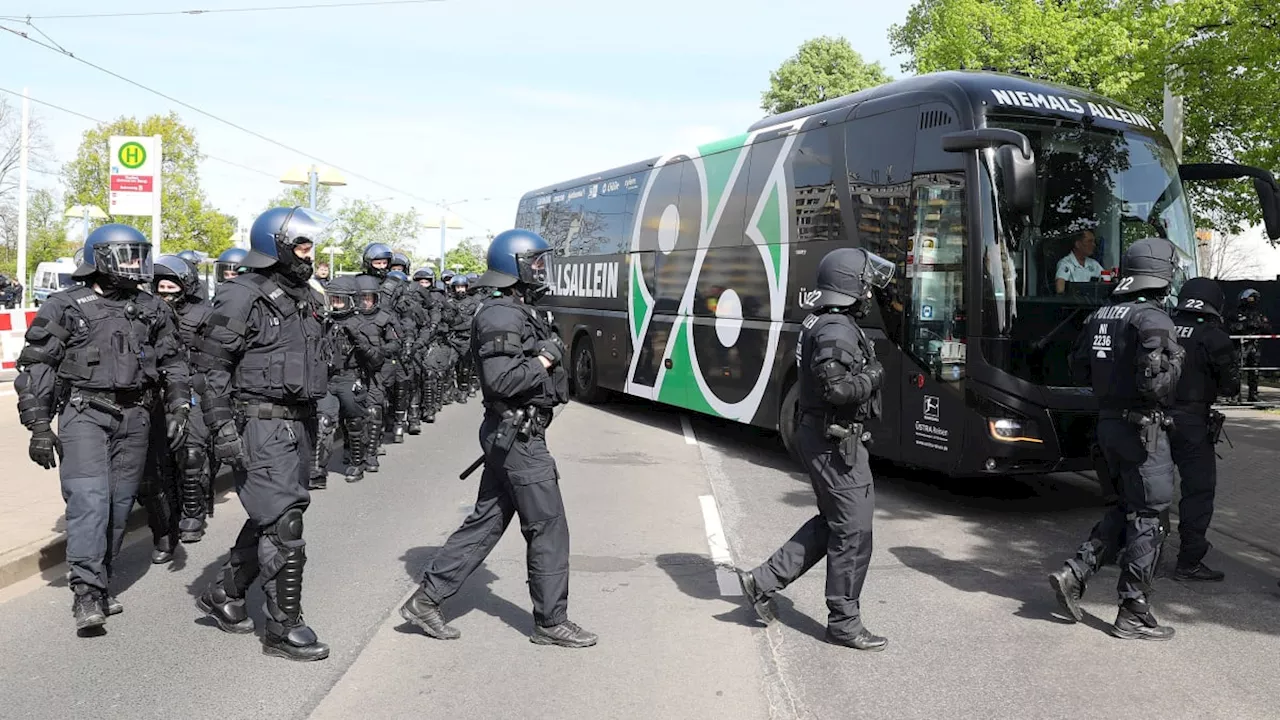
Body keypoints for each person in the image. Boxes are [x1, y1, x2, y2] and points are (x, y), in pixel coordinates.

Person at [399, 228, 595, 648]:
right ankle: (550, 621)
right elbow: (501, 379)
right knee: (549, 527)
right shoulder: (501, 314)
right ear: (515, 265)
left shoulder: (519, 309)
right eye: (536, 262)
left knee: (486, 522)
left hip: (515, 433)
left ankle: (426, 600)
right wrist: (546, 357)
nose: (543, 270)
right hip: (518, 436)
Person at [14, 225, 189, 632]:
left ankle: (101, 579)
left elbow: (174, 363)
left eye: (138, 256)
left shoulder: (152, 308)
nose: (135, 265)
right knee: (89, 502)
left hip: (137, 417)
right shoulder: (65, 305)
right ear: (99, 259)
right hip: (85, 414)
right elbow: (37, 365)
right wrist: (38, 425)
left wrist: (180, 404)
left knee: (118, 506)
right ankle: (87, 594)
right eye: (126, 256)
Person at [733, 248, 893, 651]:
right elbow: (837, 389)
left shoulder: (827, 321)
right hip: (834, 443)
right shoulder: (835, 329)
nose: (870, 289)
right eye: (865, 281)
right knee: (854, 531)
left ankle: (763, 581)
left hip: (830, 439)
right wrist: (874, 376)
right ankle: (844, 622)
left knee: (836, 523)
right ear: (849, 285)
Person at [194, 206, 331, 662]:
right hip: (260, 422)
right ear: (276, 244)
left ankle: (225, 592)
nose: (309, 253)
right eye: (302, 243)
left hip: (299, 422)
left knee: (271, 516)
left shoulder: (306, 296)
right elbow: (210, 368)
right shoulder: (242, 295)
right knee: (286, 523)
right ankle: (282, 627)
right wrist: (222, 429)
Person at [1049, 237, 1185, 640]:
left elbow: (1078, 370)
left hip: (1108, 425)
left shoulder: (1101, 315)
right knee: (1151, 517)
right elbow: (1157, 385)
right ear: (1162, 273)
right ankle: (1133, 611)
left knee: (1128, 508)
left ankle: (1075, 573)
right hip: (1144, 431)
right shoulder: (1153, 319)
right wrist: (1179, 362)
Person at [1169, 278, 1240, 582]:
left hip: (1151, 419)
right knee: (1197, 491)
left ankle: (1127, 549)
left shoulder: (1162, 326)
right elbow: (1231, 387)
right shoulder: (1214, 336)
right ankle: (1189, 560)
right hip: (1192, 425)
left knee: (1145, 488)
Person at [323, 276, 384, 483]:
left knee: (355, 423)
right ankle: (317, 471)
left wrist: (358, 339)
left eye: (339, 299)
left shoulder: (361, 324)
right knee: (324, 421)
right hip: (329, 379)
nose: (335, 304)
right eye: (332, 299)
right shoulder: (325, 322)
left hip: (352, 378)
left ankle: (357, 463)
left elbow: (376, 359)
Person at [1229, 289, 1271, 402]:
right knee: (1237, 370)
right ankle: (1235, 395)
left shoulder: (1259, 314)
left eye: (1254, 299)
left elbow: (1267, 329)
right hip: (1240, 345)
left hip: (1254, 346)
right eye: (1250, 299)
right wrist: (1244, 325)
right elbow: (1231, 328)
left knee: (1254, 370)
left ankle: (1253, 395)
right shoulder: (1235, 313)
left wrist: (1259, 325)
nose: (1251, 301)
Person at [1055, 229, 1105, 294]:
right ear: (1077, 244)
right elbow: (1060, 290)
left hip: (1092, 302)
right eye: (1089, 241)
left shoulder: (1094, 264)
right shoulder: (1066, 263)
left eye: (1094, 241)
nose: (1094, 245)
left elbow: (1105, 280)